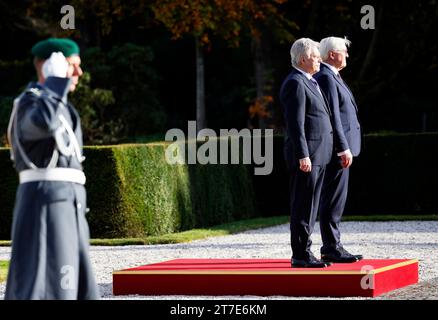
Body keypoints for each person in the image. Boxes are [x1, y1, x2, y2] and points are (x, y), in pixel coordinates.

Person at [5, 38, 100, 299]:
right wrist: (56, 84)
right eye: (72, 66)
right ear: (50, 67)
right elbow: (42, 124)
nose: (79, 73)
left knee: (76, 288)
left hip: (67, 203)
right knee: (47, 287)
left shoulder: (59, 105)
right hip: (45, 203)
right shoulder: (30, 102)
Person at [280, 38, 340, 268]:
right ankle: (301, 255)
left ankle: (306, 251)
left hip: (319, 154)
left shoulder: (309, 81)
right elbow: (296, 124)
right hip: (308, 156)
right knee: (303, 206)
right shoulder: (295, 83)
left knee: (312, 205)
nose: (319, 60)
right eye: (316, 57)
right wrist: (303, 154)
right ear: (304, 59)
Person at [314, 37, 363, 263]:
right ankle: (331, 247)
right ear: (332, 54)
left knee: (336, 199)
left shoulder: (333, 76)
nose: (347, 55)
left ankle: (334, 245)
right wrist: (343, 148)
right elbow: (333, 116)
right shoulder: (325, 76)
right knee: (332, 199)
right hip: (337, 150)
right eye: (344, 51)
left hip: (342, 148)